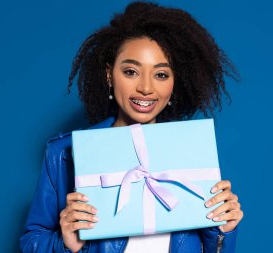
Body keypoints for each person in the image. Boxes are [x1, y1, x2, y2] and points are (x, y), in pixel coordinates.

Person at [20, 2, 243, 252]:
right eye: (131, 71)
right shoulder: (63, 154)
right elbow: (32, 241)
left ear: (174, 83)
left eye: (161, 75)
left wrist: (223, 229)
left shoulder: (191, 152)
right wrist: (65, 244)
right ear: (109, 75)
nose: (146, 88)